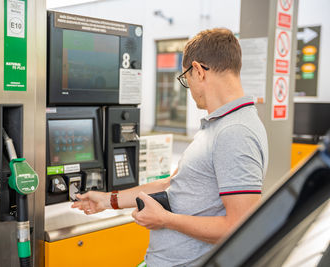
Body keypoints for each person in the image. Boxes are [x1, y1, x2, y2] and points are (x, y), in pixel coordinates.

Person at [72, 28, 268, 266]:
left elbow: (239, 225)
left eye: (186, 78)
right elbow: (171, 184)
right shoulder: (218, 125)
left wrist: (165, 220)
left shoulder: (234, 132)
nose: (189, 88)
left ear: (198, 71)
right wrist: (107, 200)